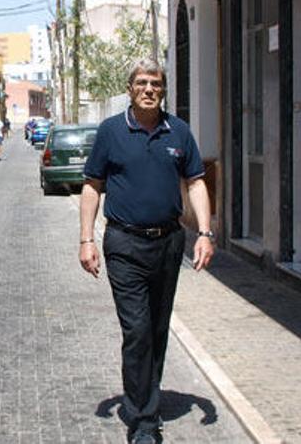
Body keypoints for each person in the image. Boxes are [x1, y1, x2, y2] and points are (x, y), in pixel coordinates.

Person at [78, 59, 215, 444]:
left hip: (169, 243)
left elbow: (196, 183)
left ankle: (145, 397)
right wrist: (86, 239)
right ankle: (142, 422)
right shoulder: (110, 131)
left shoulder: (180, 132)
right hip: (123, 243)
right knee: (137, 331)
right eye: (142, 82)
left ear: (164, 88)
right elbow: (92, 185)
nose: (149, 89)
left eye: (155, 83)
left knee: (156, 328)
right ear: (130, 88)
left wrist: (205, 232)